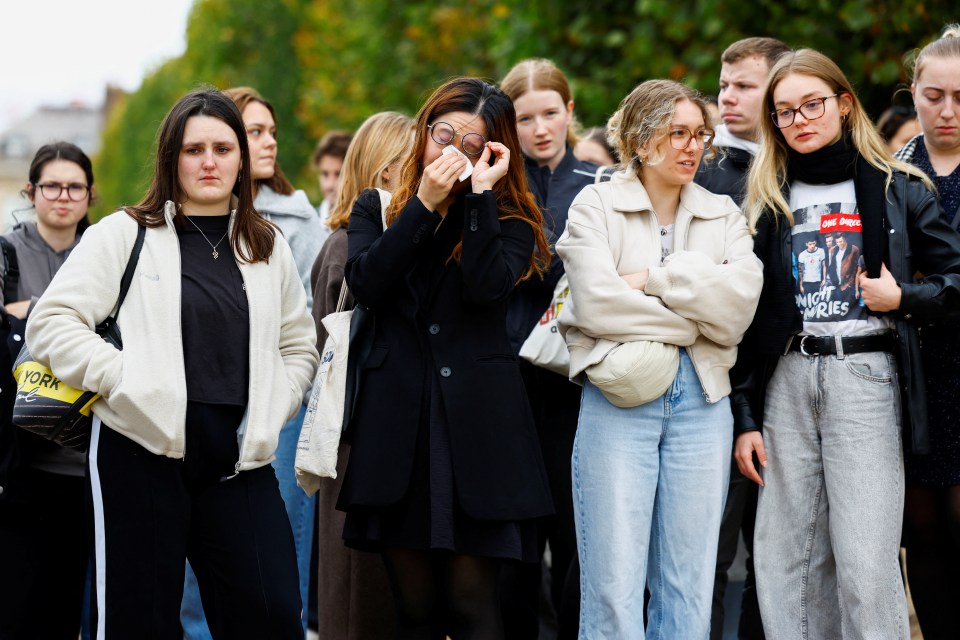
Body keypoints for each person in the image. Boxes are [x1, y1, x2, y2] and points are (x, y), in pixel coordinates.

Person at [25, 88, 318, 638]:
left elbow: (299, 345)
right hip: (138, 454)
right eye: (193, 149)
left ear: (241, 158)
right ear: (170, 157)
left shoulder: (267, 244)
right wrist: (122, 380)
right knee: (141, 623)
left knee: (273, 614)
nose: (209, 162)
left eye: (223, 148)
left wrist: (277, 404)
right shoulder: (123, 234)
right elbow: (52, 323)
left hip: (238, 463)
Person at [732, 48, 960, 640]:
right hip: (786, 377)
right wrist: (746, 416)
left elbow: (955, 283)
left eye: (812, 104)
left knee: (865, 561)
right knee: (787, 562)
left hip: (866, 376)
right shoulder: (764, 201)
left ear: (843, 104)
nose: (799, 119)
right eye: (784, 112)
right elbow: (747, 322)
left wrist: (903, 298)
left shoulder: (899, 189)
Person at [338, 77, 554, 639]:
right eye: (443, 134)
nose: (450, 150)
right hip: (398, 429)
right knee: (414, 612)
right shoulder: (378, 207)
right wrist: (424, 206)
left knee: (473, 606)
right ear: (423, 132)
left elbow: (486, 291)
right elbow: (368, 284)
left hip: (480, 433)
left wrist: (480, 196)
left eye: (471, 141)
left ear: (493, 152)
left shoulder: (513, 220)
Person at [556, 79, 763, 638]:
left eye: (701, 134)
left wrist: (652, 281)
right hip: (619, 399)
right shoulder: (595, 204)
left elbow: (739, 310)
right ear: (641, 139)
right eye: (678, 134)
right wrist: (698, 319)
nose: (693, 146)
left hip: (704, 404)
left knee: (689, 585)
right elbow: (597, 307)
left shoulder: (723, 212)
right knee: (612, 586)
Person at [176, 85, 327, 639]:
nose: (266, 142)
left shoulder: (296, 224)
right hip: (186, 419)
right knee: (192, 567)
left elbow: (302, 327)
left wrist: (282, 399)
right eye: (253, 130)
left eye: (268, 132)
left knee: (275, 555)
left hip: (266, 417)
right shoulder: (164, 226)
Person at [499, 57, 605, 638]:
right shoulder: (491, 190)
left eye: (550, 113)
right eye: (524, 118)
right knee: (513, 544)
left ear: (569, 111)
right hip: (508, 383)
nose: (540, 129)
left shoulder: (598, 186)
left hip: (574, 382)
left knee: (574, 534)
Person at [692, 37, 792, 640]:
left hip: (797, 383)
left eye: (743, 86)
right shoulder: (703, 173)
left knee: (778, 561)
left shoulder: (809, 170)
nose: (726, 98)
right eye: (723, 86)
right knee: (705, 554)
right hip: (716, 387)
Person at [310, 110, 413, 639]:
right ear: (386, 170)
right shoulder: (347, 247)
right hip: (356, 443)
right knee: (358, 598)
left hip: (382, 441)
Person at [0, 142, 94, 639]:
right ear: (31, 191)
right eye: (51, 186)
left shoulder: (107, 254)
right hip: (21, 463)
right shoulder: (6, 255)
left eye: (74, 186)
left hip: (89, 461)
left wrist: (28, 315)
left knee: (69, 607)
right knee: (17, 604)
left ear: (90, 194)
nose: (63, 197)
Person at [896, 24, 960, 639]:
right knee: (922, 531)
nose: (946, 110)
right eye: (933, 94)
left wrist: (912, 290)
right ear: (912, 91)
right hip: (910, 372)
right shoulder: (891, 171)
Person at [313, 130, 352, 227]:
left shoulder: (368, 225)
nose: (329, 185)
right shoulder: (309, 223)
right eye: (325, 174)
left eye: (338, 174)